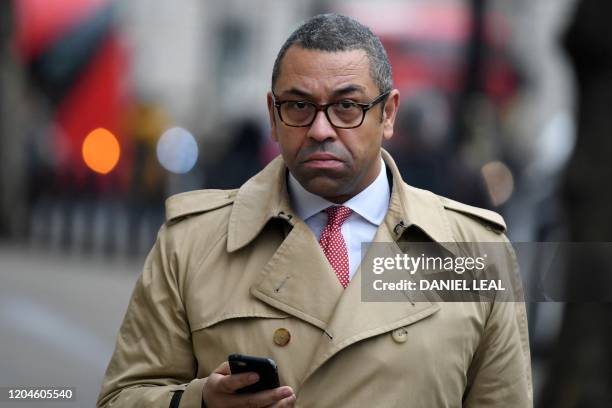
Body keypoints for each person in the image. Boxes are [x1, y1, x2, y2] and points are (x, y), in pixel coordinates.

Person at [97, 13, 532, 408]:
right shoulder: (192, 242)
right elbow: (121, 397)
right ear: (273, 114)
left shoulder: (473, 251)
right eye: (299, 106)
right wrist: (201, 402)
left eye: (347, 107)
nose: (321, 129)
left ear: (389, 114)